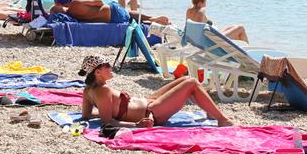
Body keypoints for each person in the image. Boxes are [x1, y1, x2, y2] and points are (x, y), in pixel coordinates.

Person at [79, 56, 232, 128]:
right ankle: (222, 120)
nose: (110, 67)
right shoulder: (103, 90)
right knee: (191, 84)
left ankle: (211, 112)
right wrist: (136, 125)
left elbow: (86, 116)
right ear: (97, 72)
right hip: (151, 112)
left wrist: (108, 110)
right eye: (106, 66)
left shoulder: (88, 91)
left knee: (186, 80)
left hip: (149, 101)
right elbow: (107, 122)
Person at [55, 0, 169, 25]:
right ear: (61, 6)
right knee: (128, 13)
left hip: (112, 20)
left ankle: (150, 20)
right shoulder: (75, 3)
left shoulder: (73, 19)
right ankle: (151, 18)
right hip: (111, 10)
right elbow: (99, 1)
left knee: (129, 17)